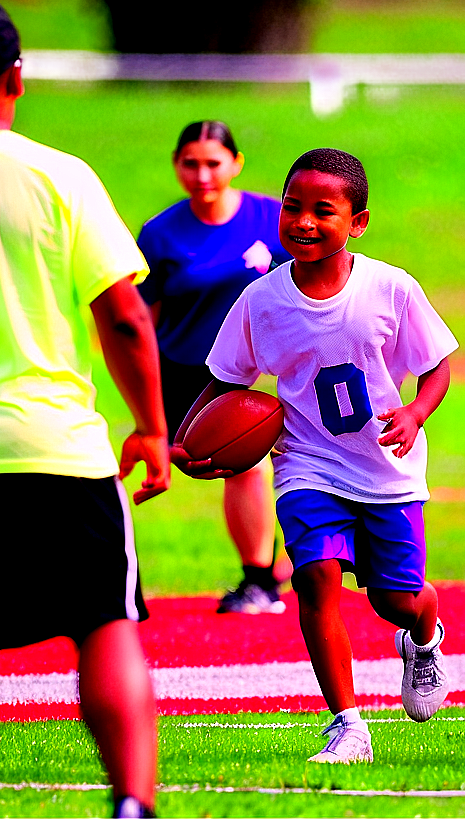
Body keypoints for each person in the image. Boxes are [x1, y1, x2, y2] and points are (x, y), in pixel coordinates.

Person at [0, 0, 169, 819]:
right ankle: (132, 805)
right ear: (20, 77)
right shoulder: (59, 174)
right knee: (104, 625)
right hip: (52, 447)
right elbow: (123, 314)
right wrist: (153, 427)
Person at [172, 148, 458, 762]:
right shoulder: (259, 300)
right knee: (316, 579)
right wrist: (189, 438)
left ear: (357, 222)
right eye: (291, 207)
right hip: (306, 462)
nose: (302, 221)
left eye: (321, 211)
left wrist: (413, 413)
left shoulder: (390, 286)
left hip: (387, 469)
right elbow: (225, 381)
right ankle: (348, 725)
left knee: (396, 601)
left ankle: (425, 632)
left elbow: (436, 368)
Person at [137, 121, 292, 615]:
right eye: (190, 163)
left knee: (247, 465)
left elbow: (309, 282)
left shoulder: (274, 218)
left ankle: (259, 582)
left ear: (236, 163)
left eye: (213, 162)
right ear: (176, 166)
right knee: (181, 463)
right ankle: (117, 589)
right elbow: (143, 316)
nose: (202, 174)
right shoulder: (160, 233)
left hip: (254, 372)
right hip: (186, 369)